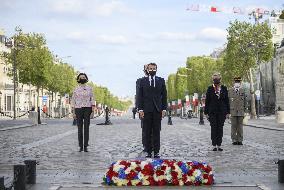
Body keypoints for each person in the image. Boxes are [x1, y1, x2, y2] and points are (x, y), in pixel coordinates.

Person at [137, 63, 167, 158]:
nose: (152, 70)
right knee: (147, 131)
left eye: (154, 68)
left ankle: (156, 151)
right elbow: (139, 96)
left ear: (156, 69)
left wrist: (164, 109)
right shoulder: (142, 81)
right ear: (147, 69)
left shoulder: (161, 80)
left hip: (157, 110)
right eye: (150, 68)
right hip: (146, 110)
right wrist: (140, 109)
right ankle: (149, 151)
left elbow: (164, 96)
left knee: (156, 131)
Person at [204, 73, 230, 151]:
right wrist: (206, 113)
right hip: (212, 112)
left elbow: (227, 101)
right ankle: (214, 145)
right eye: (215, 79)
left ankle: (219, 144)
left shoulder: (224, 88)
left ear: (220, 79)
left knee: (220, 128)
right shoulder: (210, 88)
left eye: (217, 79)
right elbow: (207, 101)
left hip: (222, 112)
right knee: (214, 128)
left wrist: (228, 112)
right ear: (213, 80)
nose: (216, 80)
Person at [71, 73, 95, 152]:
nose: (82, 78)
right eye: (81, 77)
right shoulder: (75, 89)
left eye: (84, 77)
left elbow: (93, 99)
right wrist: (73, 112)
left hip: (88, 108)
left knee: (86, 128)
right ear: (78, 79)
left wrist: (93, 111)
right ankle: (80, 146)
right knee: (80, 128)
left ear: (86, 78)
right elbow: (73, 100)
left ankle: (86, 146)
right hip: (78, 109)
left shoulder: (90, 88)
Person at [228, 77, 246, 145]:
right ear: (234, 83)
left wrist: (246, 111)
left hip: (241, 111)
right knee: (233, 126)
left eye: (238, 82)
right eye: (236, 82)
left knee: (240, 127)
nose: (237, 83)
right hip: (233, 112)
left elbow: (245, 101)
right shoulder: (230, 91)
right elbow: (228, 102)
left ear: (240, 83)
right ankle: (234, 140)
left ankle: (240, 140)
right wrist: (228, 112)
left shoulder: (242, 90)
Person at [135, 64, 149, 152]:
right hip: (144, 108)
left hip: (155, 108)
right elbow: (138, 95)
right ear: (144, 70)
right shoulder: (139, 81)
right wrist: (139, 108)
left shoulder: (158, 80)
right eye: (147, 69)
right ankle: (146, 145)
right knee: (145, 128)